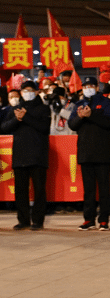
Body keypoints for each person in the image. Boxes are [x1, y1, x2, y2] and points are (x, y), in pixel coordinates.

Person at [1, 81, 51, 230]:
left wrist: (26, 117)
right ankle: (23, 220)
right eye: (24, 90)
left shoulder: (43, 108)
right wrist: (17, 119)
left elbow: (44, 128)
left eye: (30, 90)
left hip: (38, 155)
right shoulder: (15, 109)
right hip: (20, 155)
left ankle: (38, 220)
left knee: (39, 190)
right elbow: (3, 127)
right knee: (20, 190)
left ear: (36, 92)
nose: (27, 93)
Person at [68, 77, 110, 231]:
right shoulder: (79, 104)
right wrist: (81, 116)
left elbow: (108, 122)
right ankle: (88, 219)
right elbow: (71, 124)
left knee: (103, 188)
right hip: (85, 153)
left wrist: (91, 115)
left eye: (90, 86)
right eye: (85, 86)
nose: (87, 88)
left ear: (96, 87)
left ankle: (104, 220)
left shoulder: (105, 102)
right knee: (88, 189)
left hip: (102, 152)